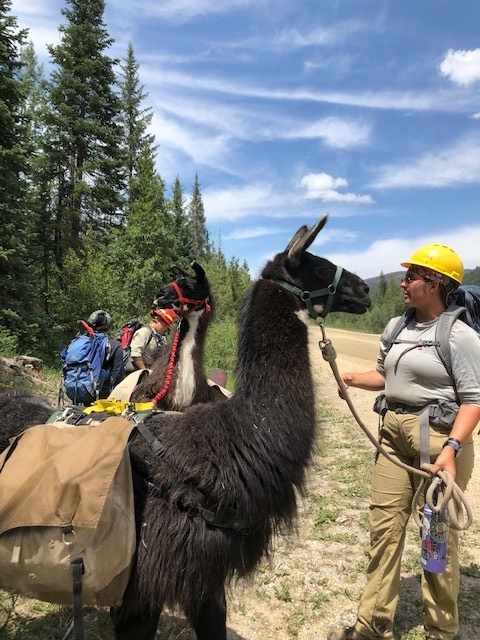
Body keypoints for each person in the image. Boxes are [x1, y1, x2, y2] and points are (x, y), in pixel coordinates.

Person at [327, 244, 480, 640]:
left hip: (440, 444)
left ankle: (441, 631)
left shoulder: (459, 336)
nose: (403, 283)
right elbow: (387, 376)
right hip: (392, 438)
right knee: (384, 532)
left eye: (411, 276)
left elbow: (474, 401)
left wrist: (452, 450)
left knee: (436, 539)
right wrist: (352, 379)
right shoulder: (396, 326)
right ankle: (371, 626)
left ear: (435, 283)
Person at [86, 309, 125, 398]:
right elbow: (117, 376)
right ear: (108, 328)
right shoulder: (115, 346)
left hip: (76, 390)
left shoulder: (80, 342)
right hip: (99, 395)